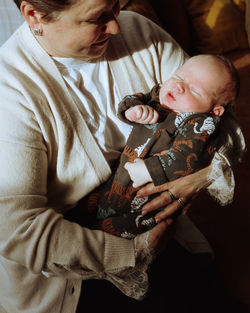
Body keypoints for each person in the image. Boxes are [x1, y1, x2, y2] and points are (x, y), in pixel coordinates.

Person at [0, 0, 245, 313]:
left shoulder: (138, 31)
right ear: (34, 16)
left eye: (115, 6)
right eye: (98, 18)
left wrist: (200, 178)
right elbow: (19, 232)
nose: (117, 26)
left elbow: (224, 120)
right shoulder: (9, 90)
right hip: (70, 275)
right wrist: (131, 253)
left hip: (157, 228)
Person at [83, 54, 239, 238]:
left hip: (143, 202)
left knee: (126, 228)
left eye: (195, 90)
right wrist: (132, 110)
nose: (179, 87)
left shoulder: (198, 124)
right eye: (179, 77)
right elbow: (133, 98)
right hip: (117, 181)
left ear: (214, 111)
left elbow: (185, 159)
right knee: (89, 207)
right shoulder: (158, 96)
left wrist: (150, 170)